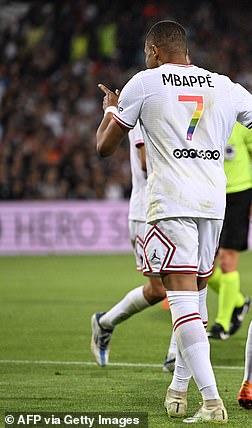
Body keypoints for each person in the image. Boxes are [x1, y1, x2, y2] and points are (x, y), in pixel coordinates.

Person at [95, 20, 252, 423]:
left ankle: (211, 401)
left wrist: (110, 109)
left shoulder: (144, 82)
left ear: (155, 51)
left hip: (171, 203)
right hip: (214, 204)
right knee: (193, 300)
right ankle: (178, 387)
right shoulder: (225, 86)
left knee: (182, 304)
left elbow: (103, 147)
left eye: (147, 54)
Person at [90, 123, 170, 367]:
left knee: (187, 281)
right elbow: (146, 164)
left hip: (173, 208)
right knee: (161, 290)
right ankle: (105, 323)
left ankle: (175, 356)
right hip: (147, 213)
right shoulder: (145, 112)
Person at [206, 122, 252, 340]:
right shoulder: (203, 117)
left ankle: (222, 324)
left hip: (238, 196)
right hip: (210, 196)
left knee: (227, 259)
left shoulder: (242, 121)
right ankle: (240, 302)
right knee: (204, 267)